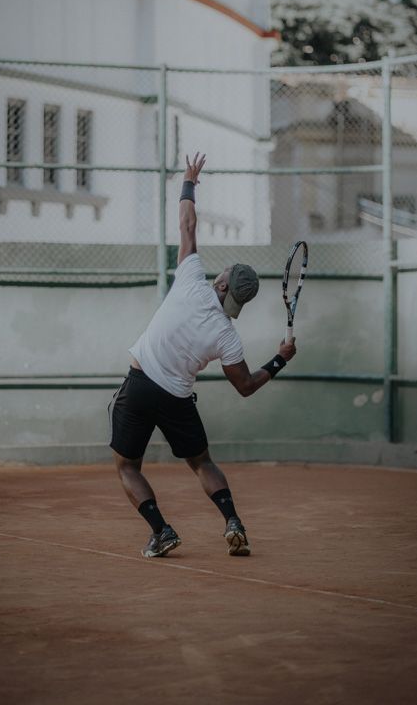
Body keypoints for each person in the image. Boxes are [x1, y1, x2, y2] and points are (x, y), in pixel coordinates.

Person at [109, 152, 297, 558]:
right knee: (202, 463)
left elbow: (187, 224)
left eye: (225, 274)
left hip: (140, 386)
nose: (221, 273)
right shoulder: (228, 336)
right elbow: (245, 386)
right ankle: (233, 521)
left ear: (224, 286)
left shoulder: (192, 279)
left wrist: (189, 182)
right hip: (177, 399)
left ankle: (161, 531)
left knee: (127, 466)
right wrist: (280, 359)